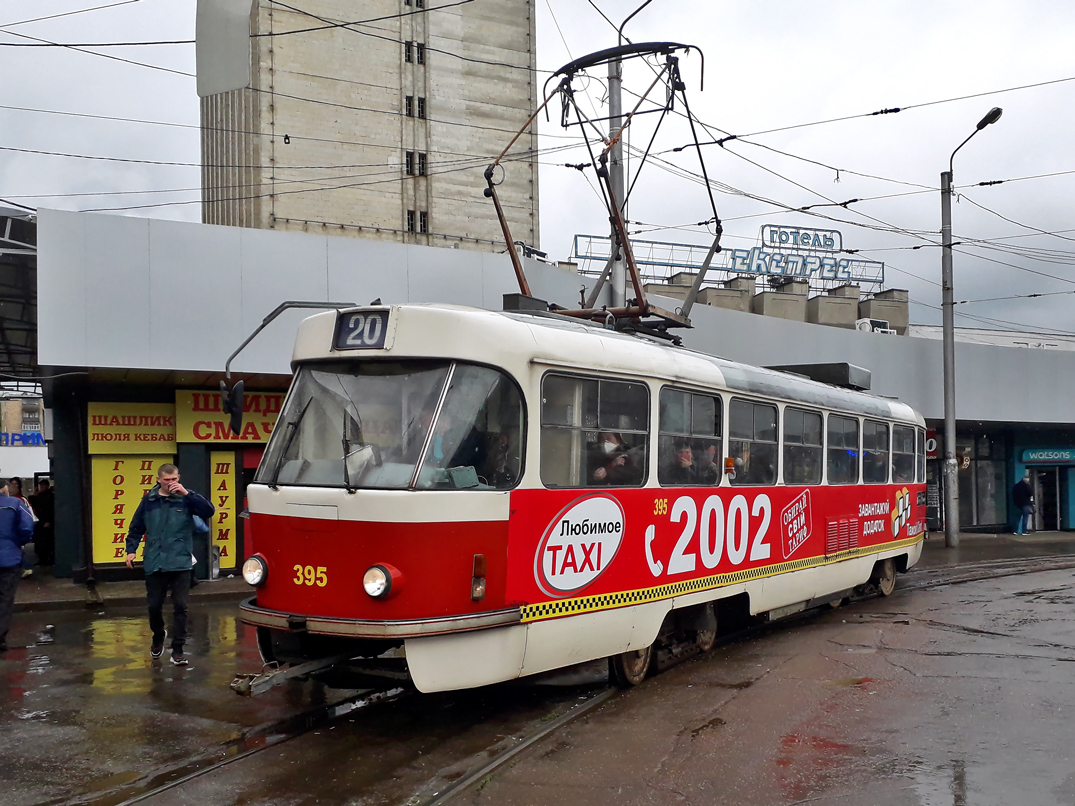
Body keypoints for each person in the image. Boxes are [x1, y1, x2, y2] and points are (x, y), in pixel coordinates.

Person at [125, 464, 215, 666]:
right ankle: (158, 635)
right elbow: (136, 527)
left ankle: (178, 649)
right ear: (159, 480)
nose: (171, 483)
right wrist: (131, 550)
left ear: (179, 478)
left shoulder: (186, 498)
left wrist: (187, 493)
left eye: (174, 479)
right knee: (154, 606)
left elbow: (209, 511)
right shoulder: (149, 500)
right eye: (167, 480)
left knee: (181, 607)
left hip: (180, 561)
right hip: (155, 562)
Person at [0, 482, 36, 651]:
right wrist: (21, 542)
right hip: (8, 558)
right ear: (4, 489)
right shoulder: (14, 504)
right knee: (5, 598)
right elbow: (27, 525)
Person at [8, 479, 36, 578]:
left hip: (17, 527)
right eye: (12, 484)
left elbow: (29, 515)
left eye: (16, 484)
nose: (13, 486)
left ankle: (26, 567)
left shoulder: (22, 500)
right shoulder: (8, 499)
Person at [29, 480, 54, 567]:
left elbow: (50, 510)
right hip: (40, 522)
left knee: (46, 543)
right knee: (40, 543)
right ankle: (42, 560)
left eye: (43, 485)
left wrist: (48, 521)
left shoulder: (50, 496)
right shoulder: (40, 496)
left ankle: (47, 560)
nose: (41, 487)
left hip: (46, 522)